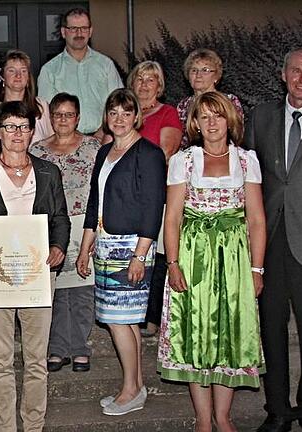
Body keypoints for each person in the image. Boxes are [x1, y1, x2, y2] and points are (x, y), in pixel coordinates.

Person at [0, 101, 70, 431]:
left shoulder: (49, 172)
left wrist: (58, 246)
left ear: (32, 132)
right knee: (1, 360)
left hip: (38, 273)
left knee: (36, 360)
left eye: (24, 126)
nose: (17, 133)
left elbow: (60, 218)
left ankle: (33, 426)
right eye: (10, 127)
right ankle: (6, 428)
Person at [158, 91, 265, 432]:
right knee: (195, 331)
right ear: (196, 123)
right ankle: (203, 419)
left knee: (228, 333)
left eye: (218, 115)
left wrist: (256, 268)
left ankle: (223, 416)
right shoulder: (183, 160)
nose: (212, 123)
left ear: (229, 119)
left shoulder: (246, 160)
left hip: (234, 257)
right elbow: (172, 218)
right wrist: (173, 263)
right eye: (204, 117)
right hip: (194, 256)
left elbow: (257, 219)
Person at [245, 47, 302, 432]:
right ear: (283, 74)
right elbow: (248, 178)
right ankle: (278, 410)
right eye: (296, 71)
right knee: (270, 330)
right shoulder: (261, 116)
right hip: (269, 243)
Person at [76, 88, 166, 416]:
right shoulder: (104, 152)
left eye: (126, 113)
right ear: (106, 116)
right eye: (113, 112)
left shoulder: (149, 153)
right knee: (124, 322)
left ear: (136, 116)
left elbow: (154, 206)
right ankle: (136, 385)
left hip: (131, 247)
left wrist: (140, 255)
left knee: (118, 322)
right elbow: (93, 204)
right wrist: (85, 249)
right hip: (105, 244)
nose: (119, 119)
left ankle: (130, 390)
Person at [30, 92, 100, 373]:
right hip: (51, 226)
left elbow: (101, 190)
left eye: (69, 114)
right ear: (51, 117)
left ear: (78, 118)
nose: (63, 120)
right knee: (55, 293)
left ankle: (80, 347)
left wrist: (96, 227)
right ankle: (57, 348)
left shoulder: (94, 147)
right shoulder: (36, 150)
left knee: (82, 290)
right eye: (58, 114)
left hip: (84, 225)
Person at [126, 60, 184, 339]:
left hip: (155, 195)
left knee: (156, 255)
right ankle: (129, 309)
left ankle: (151, 318)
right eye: (140, 79)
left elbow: (164, 155)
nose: (145, 84)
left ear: (159, 85)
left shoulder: (168, 113)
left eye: (151, 79)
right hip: (126, 198)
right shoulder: (124, 112)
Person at [37, 7, 123, 139]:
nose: (79, 33)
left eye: (84, 28)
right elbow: (47, 114)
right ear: (63, 32)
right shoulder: (49, 70)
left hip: (105, 139)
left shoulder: (106, 65)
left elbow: (118, 104)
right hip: (65, 142)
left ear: (90, 31)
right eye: (73, 28)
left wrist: (102, 134)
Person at [0, 49, 53, 143]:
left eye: (23, 71)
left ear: (28, 77)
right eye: (12, 71)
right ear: (2, 76)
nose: (18, 75)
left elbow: (53, 142)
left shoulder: (42, 108)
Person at [177, 49, 243, 148]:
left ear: (216, 76)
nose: (198, 75)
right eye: (194, 70)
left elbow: (236, 133)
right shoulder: (183, 106)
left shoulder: (229, 101)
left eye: (205, 70)